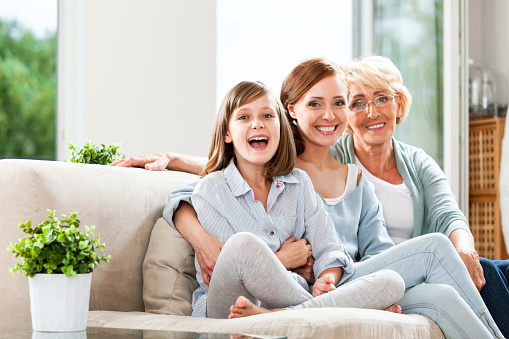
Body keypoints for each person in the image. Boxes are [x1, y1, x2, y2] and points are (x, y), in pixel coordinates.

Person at [114, 59, 505, 338]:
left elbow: (356, 250)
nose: (331, 114)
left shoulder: (311, 180)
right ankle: (280, 314)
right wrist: (177, 163)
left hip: (329, 286)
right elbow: (203, 192)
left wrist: (331, 277)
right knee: (246, 245)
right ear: (293, 112)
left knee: (417, 280)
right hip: (259, 294)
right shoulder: (241, 177)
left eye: (339, 103)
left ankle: (278, 317)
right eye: (316, 104)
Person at [184, 79, 405, 319]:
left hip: (287, 303)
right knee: (242, 245)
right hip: (227, 312)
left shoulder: (299, 183)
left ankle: (277, 317)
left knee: (392, 281)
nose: (258, 124)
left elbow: (329, 248)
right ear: (227, 133)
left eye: (268, 116)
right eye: (244, 117)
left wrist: (326, 281)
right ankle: (314, 314)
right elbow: (233, 269)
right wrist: (283, 260)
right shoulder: (211, 190)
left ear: (280, 126)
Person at [331, 55, 509, 337]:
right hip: (382, 274)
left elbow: (449, 214)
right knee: (483, 268)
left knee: (500, 268)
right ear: (346, 117)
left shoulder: (416, 161)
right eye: (358, 103)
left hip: (427, 271)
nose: (372, 112)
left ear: (398, 104)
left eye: (381, 98)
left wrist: (464, 250)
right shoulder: (333, 161)